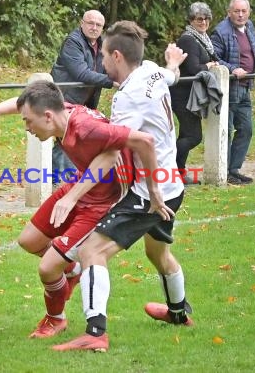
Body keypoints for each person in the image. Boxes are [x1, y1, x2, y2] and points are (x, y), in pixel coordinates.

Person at [0, 80, 163, 339]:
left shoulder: (86, 127)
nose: (27, 128)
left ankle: (56, 319)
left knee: (48, 268)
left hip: (100, 202)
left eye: (28, 122)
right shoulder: (63, 111)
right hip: (81, 186)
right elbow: (23, 105)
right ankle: (72, 271)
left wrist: (153, 191)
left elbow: (124, 148)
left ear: (48, 117)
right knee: (29, 240)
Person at [52, 21, 192, 352]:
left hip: (151, 191)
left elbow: (113, 153)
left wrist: (73, 195)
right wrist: (172, 62)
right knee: (159, 253)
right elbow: (170, 76)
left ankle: (95, 333)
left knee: (91, 252)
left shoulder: (127, 98)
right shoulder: (152, 71)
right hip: (173, 184)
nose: (100, 63)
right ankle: (178, 313)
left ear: (117, 56)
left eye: (102, 56)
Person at [210, 0, 255, 185]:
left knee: (246, 129)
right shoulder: (220, 32)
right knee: (227, 130)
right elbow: (214, 59)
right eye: (236, 11)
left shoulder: (250, 27)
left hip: (246, 86)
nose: (240, 15)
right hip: (230, 88)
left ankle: (234, 169)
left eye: (243, 11)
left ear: (248, 12)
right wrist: (232, 69)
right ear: (229, 12)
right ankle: (224, 171)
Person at [50, 10, 116, 184]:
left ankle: (66, 178)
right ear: (82, 23)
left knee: (75, 137)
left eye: (98, 25)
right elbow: (81, 73)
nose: (94, 27)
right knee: (65, 135)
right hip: (64, 96)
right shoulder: (73, 42)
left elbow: (111, 65)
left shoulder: (103, 45)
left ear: (103, 28)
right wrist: (112, 81)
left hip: (85, 100)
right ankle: (59, 180)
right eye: (90, 23)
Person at [170, 2, 219, 185]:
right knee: (193, 136)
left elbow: (214, 59)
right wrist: (208, 66)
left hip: (191, 95)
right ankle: (166, 167)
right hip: (182, 95)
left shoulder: (203, 38)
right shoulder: (188, 39)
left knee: (185, 135)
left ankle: (177, 174)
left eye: (207, 18)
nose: (204, 22)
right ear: (191, 20)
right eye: (199, 18)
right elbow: (192, 69)